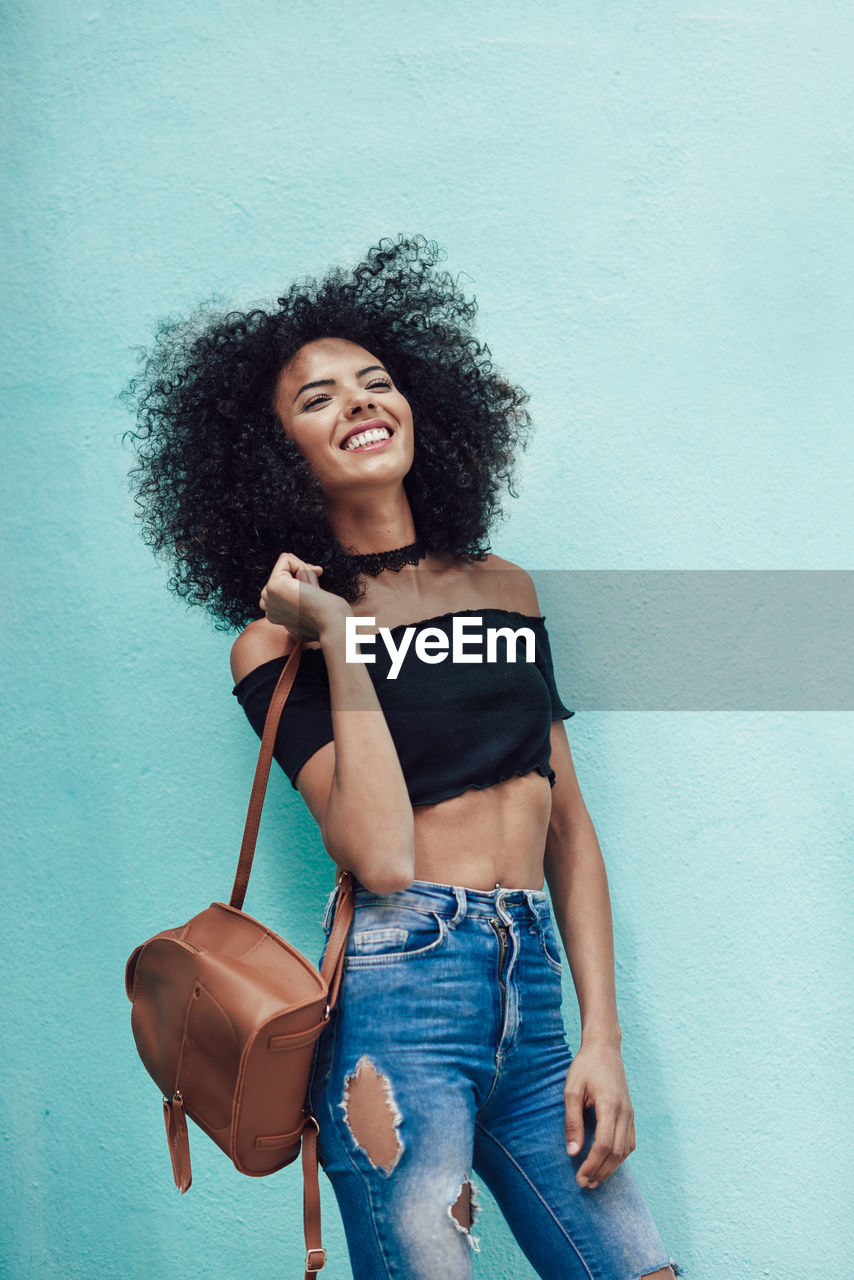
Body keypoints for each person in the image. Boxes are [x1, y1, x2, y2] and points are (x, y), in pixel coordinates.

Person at [125, 235, 682, 1279]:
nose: (357, 405)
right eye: (316, 399)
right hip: (399, 1008)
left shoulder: (503, 589)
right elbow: (380, 855)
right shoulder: (274, 647)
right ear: (271, 452)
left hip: (535, 998)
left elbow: (566, 824)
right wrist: (337, 634)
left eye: (375, 383)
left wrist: (600, 1038)